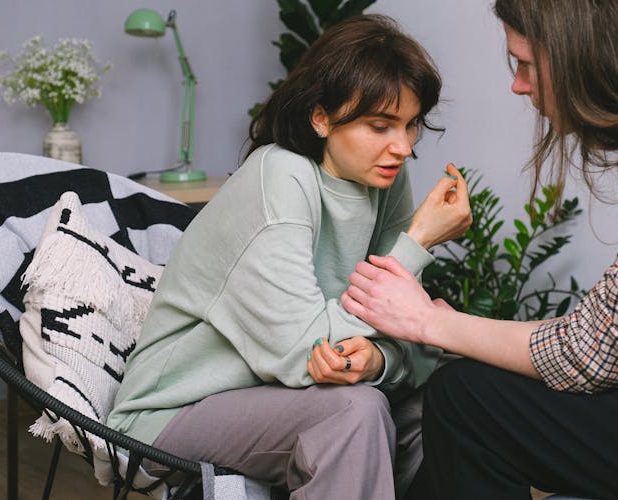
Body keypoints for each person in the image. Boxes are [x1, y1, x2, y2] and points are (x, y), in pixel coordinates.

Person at [107, 14, 472, 500]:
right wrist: (418, 242)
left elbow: (409, 328)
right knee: (353, 413)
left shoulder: (384, 179)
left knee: (461, 393)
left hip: (283, 397)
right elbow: (304, 356)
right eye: (381, 125)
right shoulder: (280, 178)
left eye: (410, 127)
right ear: (321, 117)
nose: (402, 147)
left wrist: (378, 360)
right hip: (172, 413)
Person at [341, 1, 618, 498]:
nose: (518, 84)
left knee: (463, 396)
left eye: (527, 64)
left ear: (582, 54)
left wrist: (429, 322)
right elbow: (609, 329)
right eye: (380, 127)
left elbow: (596, 351)